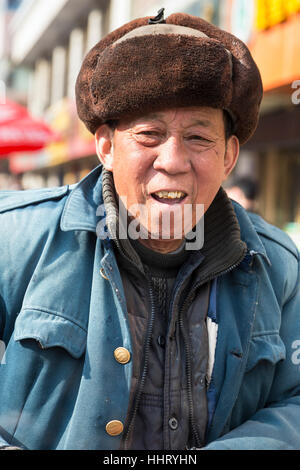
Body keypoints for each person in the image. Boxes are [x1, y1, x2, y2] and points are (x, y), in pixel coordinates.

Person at [0, 10, 299, 451]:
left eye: (199, 138)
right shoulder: (16, 239)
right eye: (149, 134)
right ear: (106, 147)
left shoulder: (278, 268)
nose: (173, 161)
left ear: (229, 156)